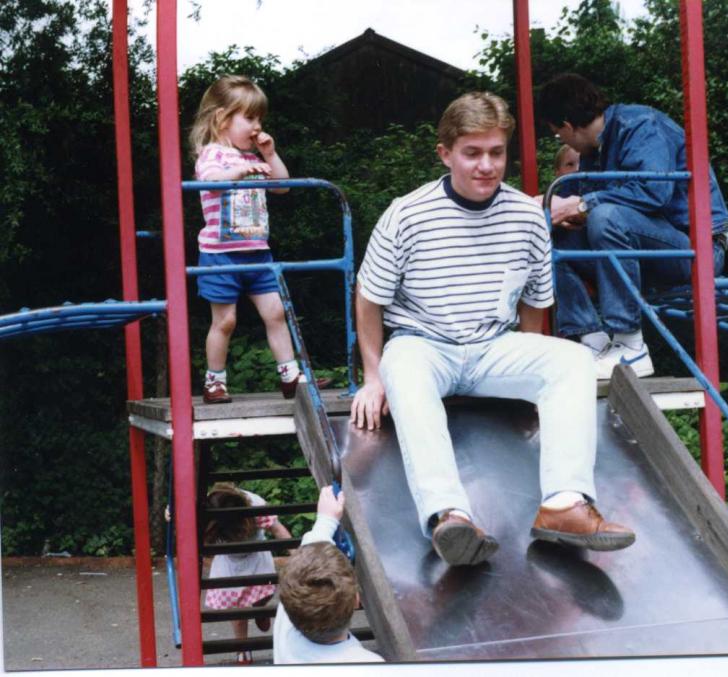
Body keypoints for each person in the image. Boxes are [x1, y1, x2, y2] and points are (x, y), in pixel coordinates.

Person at [350, 91, 635, 567]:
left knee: (571, 359)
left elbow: (535, 306)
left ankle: (564, 504)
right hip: (424, 345)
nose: (486, 165)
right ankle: (450, 515)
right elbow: (369, 299)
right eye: (473, 153)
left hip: (491, 346)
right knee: (405, 370)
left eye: (496, 153)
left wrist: (531, 378)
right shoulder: (407, 214)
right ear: (446, 154)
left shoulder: (526, 216)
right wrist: (373, 376)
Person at [537, 73, 728, 380]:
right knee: (550, 231)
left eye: (557, 134)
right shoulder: (594, 153)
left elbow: (653, 193)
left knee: (604, 216)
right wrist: (549, 207)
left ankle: (631, 345)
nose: (562, 141)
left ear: (566, 125)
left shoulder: (642, 125)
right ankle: (592, 341)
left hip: (697, 248)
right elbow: (584, 201)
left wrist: (582, 206)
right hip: (646, 248)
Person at [189, 74, 328, 403]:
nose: (256, 126)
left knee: (276, 313)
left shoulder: (253, 158)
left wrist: (270, 155)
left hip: (256, 253)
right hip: (220, 255)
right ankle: (215, 382)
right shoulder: (212, 155)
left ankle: (290, 376)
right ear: (222, 119)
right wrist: (235, 174)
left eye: (259, 119)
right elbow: (211, 181)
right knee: (225, 321)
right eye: (249, 117)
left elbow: (281, 186)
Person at [273, 486, 384, 664]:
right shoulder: (370, 665)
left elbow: (309, 551)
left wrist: (326, 521)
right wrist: (326, 519)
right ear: (356, 600)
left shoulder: (287, 622)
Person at [203, 483, 292, 665]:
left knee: (263, 594)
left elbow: (277, 529)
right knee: (237, 608)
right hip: (228, 560)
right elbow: (180, 509)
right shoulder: (209, 509)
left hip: (255, 554)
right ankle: (242, 647)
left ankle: (259, 610)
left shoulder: (255, 507)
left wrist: (299, 555)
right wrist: (169, 512)